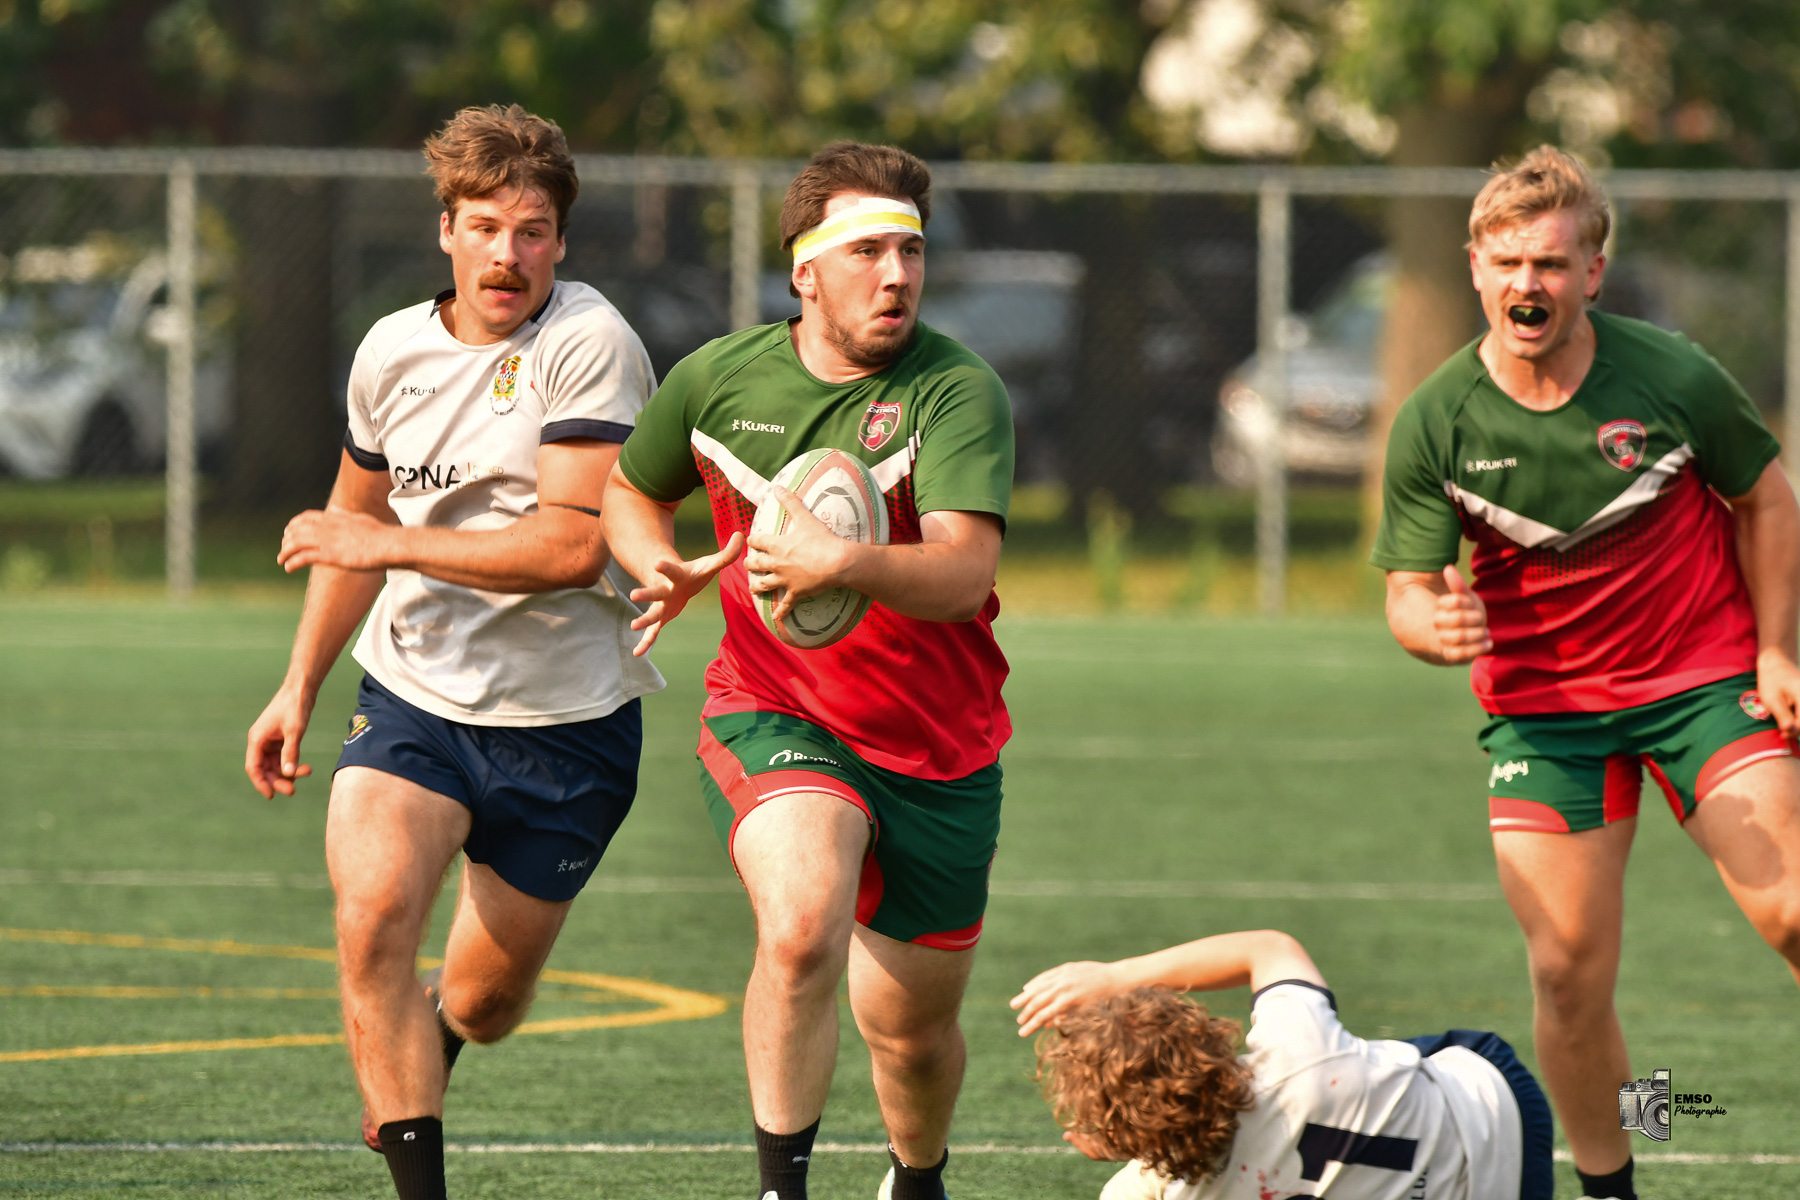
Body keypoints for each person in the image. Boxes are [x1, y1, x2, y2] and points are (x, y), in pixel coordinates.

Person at [243, 104, 660, 1200]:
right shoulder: (391, 349)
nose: (506, 255)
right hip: (415, 698)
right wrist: (296, 687)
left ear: (560, 243)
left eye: (531, 231)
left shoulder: (588, 343)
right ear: (446, 230)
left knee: (481, 1005)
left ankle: (427, 1047)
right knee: (373, 919)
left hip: (563, 726)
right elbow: (348, 529)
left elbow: (574, 545)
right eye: (484, 227)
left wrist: (386, 540)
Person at [1371, 145, 1800, 1200]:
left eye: (1555, 265)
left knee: (1794, 912)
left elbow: (1770, 499)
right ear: (1475, 266)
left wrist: (1779, 645)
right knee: (1566, 977)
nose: (1531, 284)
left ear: (1594, 273)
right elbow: (1408, 591)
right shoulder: (1437, 419)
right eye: (1510, 262)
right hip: (1548, 719)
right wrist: (1434, 630)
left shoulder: (1673, 374)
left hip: (1702, 682)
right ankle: (1615, 1182)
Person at [601, 141, 1013, 1200]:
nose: (898, 275)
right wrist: (660, 565)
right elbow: (631, 490)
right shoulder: (718, 378)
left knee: (911, 1036)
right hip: (774, 709)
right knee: (799, 926)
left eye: (911, 252)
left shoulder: (955, 390)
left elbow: (965, 575)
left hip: (937, 746)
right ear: (806, 270)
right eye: (870, 250)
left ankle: (916, 1177)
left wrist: (847, 564)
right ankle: (780, 1189)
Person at [1013, 928, 1554, 1200]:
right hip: (1494, 1115)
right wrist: (1114, 977)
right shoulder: (1304, 1054)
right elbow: (1269, 949)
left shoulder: (1156, 1191)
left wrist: (1131, 1141)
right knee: (1367, 1066)